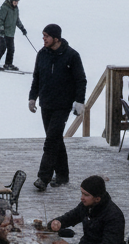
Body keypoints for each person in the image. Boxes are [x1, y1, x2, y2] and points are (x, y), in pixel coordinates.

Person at [27, 23, 86, 191]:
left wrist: (79, 101)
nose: (44, 39)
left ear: (56, 38)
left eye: (46, 36)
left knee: (51, 140)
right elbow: (36, 78)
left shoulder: (72, 56)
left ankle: (43, 178)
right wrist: (32, 98)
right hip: (46, 104)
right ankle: (62, 175)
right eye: (43, 36)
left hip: (62, 105)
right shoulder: (42, 54)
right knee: (56, 139)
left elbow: (81, 80)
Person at [38, 176, 125, 244]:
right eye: (82, 193)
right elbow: (72, 216)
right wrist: (57, 222)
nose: (82, 198)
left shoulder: (113, 216)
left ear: (97, 198)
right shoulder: (87, 205)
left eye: (86, 195)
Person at [0, 0, 29, 71]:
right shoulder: (5, 8)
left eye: (17, 2)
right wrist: (1, 29)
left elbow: (17, 20)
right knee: (2, 48)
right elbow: (0, 19)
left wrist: (22, 28)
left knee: (11, 49)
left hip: (11, 33)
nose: (16, 3)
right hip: (3, 32)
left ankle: (8, 64)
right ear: (11, 0)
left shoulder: (16, 9)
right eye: (15, 1)